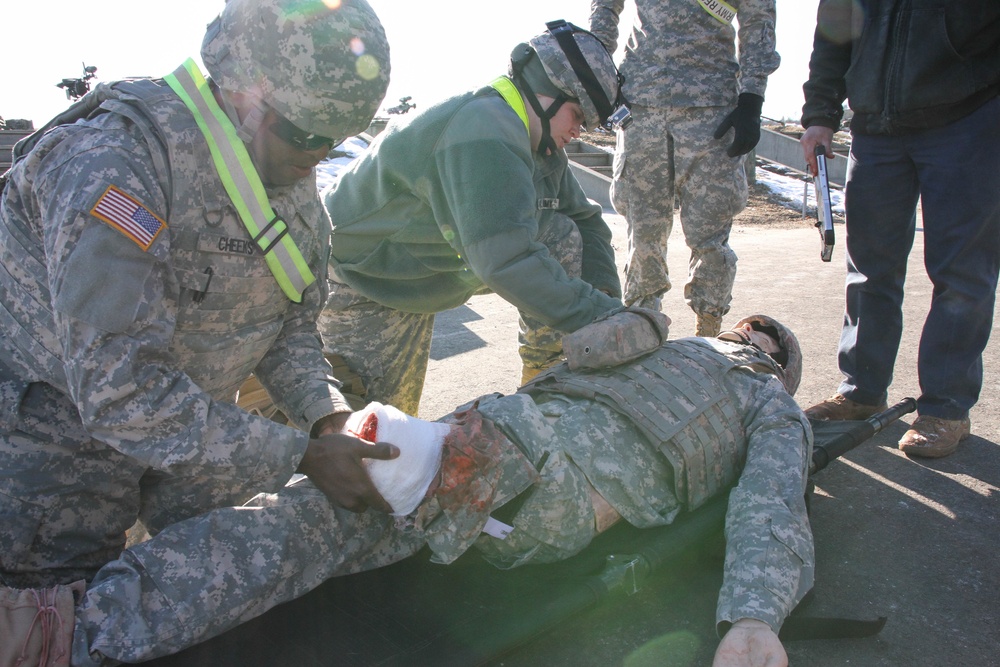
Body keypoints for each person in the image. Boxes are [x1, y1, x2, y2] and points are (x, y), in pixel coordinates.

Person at [0, 0, 406, 663]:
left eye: (336, 138)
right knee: (67, 635)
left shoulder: (286, 169)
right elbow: (120, 391)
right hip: (49, 470)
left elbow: (290, 327)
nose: (318, 156)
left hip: (197, 447)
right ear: (242, 90)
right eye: (306, 133)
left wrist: (326, 416)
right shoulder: (115, 162)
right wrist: (299, 456)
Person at [345, 312, 811, 667]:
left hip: (548, 482)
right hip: (499, 428)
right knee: (342, 492)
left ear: (779, 367)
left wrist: (754, 616)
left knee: (399, 471)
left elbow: (771, 498)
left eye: (765, 340)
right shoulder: (660, 342)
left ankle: (406, 470)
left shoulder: (764, 395)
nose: (749, 334)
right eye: (747, 326)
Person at [319, 20, 630, 415]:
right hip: (366, 280)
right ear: (547, 94)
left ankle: (546, 379)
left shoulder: (540, 143)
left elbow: (585, 220)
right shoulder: (485, 127)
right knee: (377, 438)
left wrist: (606, 299)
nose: (578, 130)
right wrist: (606, 320)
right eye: (577, 115)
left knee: (563, 233)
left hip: (426, 269)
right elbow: (505, 260)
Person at [799, 0, 1000, 458]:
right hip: (875, 126)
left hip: (969, 119)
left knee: (962, 274)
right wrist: (820, 114)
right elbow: (834, 29)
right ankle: (861, 391)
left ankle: (946, 407)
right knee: (869, 269)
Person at [588, 0, 780, 336]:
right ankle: (642, 336)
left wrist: (752, 96)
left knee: (710, 238)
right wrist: (599, 71)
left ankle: (708, 339)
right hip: (641, 105)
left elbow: (757, 17)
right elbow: (605, 6)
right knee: (643, 235)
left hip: (711, 109)